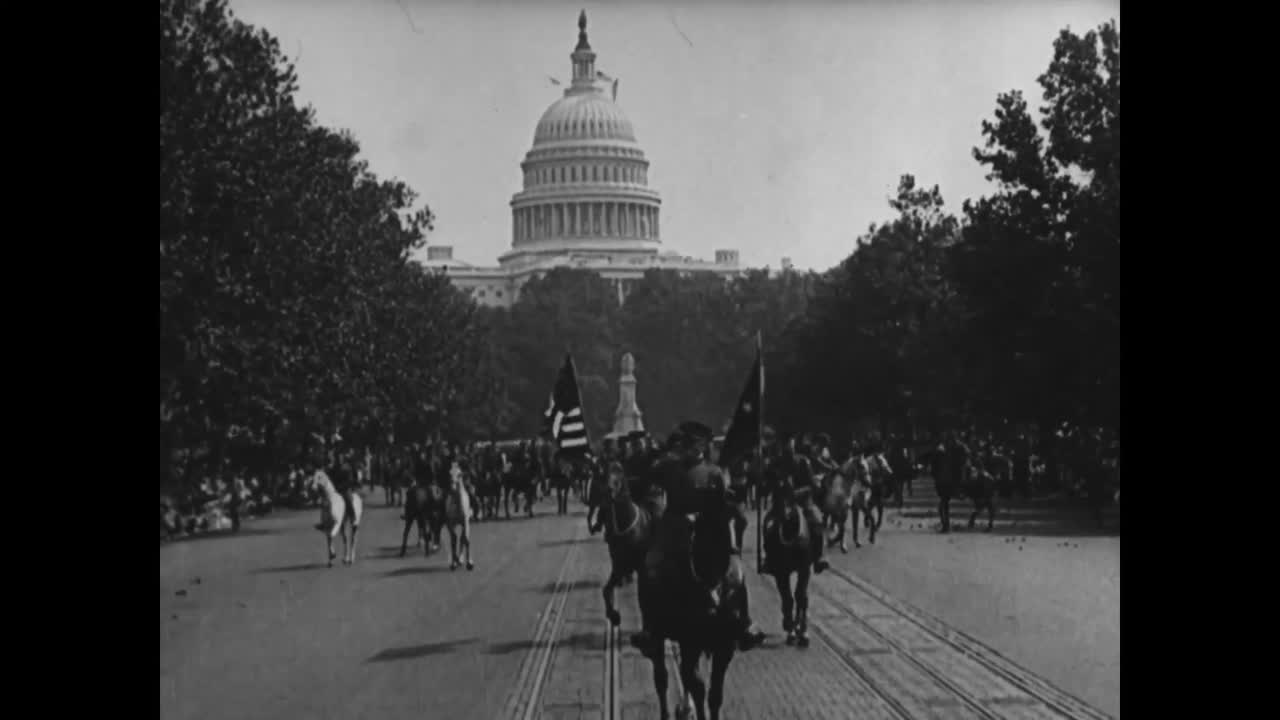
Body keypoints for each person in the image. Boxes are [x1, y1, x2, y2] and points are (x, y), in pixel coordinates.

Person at [631, 421, 765, 657]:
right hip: (674, 528)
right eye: (689, 444)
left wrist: (731, 505)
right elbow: (647, 478)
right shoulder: (669, 468)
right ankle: (650, 628)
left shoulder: (714, 472)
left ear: (704, 446)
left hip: (708, 529)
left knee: (736, 572)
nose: (693, 449)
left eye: (697, 444)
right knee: (650, 565)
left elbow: (725, 502)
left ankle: (744, 623)